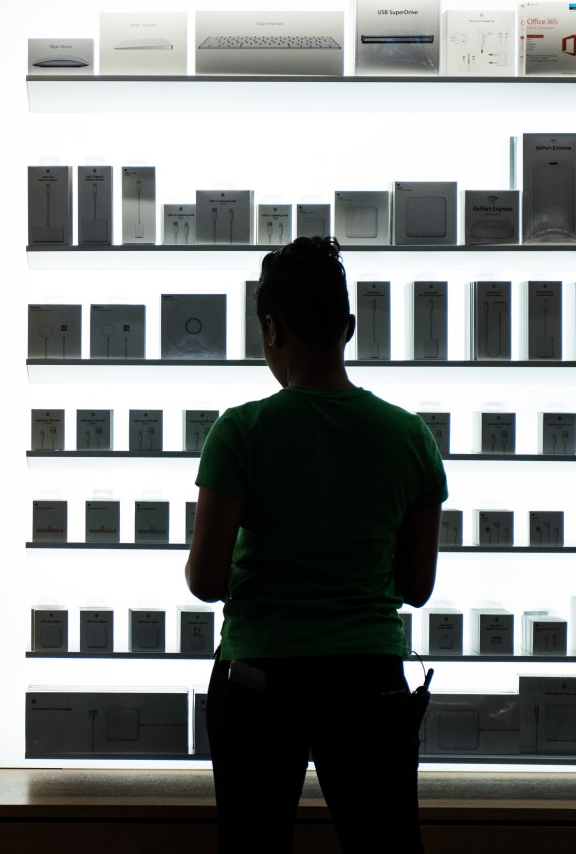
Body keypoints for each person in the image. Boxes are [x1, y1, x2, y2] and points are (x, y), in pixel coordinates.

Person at [186, 236, 447, 854]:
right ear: (348, 327)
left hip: (257, 678)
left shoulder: (241, 431)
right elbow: (417, 588)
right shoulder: (409, 436)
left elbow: (204, 580)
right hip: (369, 681)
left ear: (271, 329)